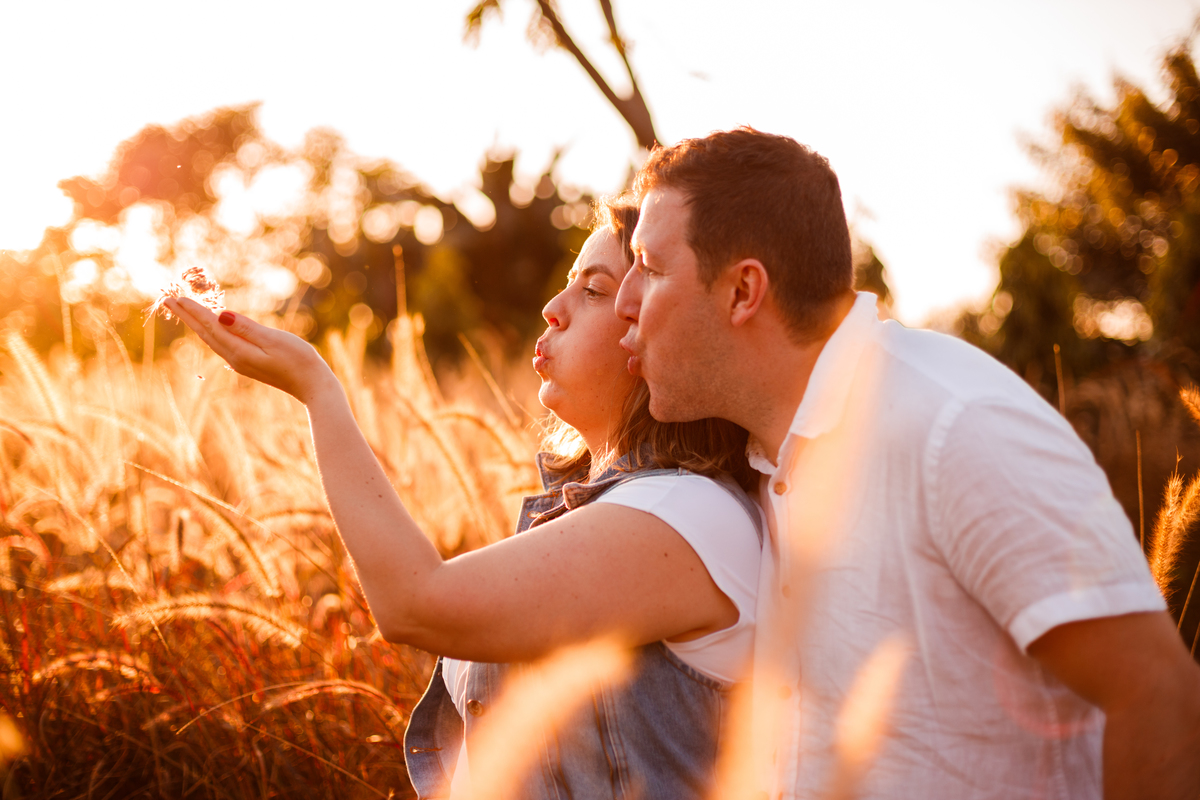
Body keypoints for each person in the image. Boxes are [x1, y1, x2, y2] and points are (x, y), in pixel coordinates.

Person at [613, 127, 1200, 799]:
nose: (627, 302)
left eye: (652, 268)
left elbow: (1159, 697)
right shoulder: (769, 460)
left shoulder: (954, 424)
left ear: (744, 291)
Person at [164, 196, 763, 800]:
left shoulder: (688, 518)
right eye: (566, 286)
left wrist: (320, 392)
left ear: (651, 322)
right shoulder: (601, 513)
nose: (553, 312)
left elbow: (416, 604)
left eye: (593, 291)